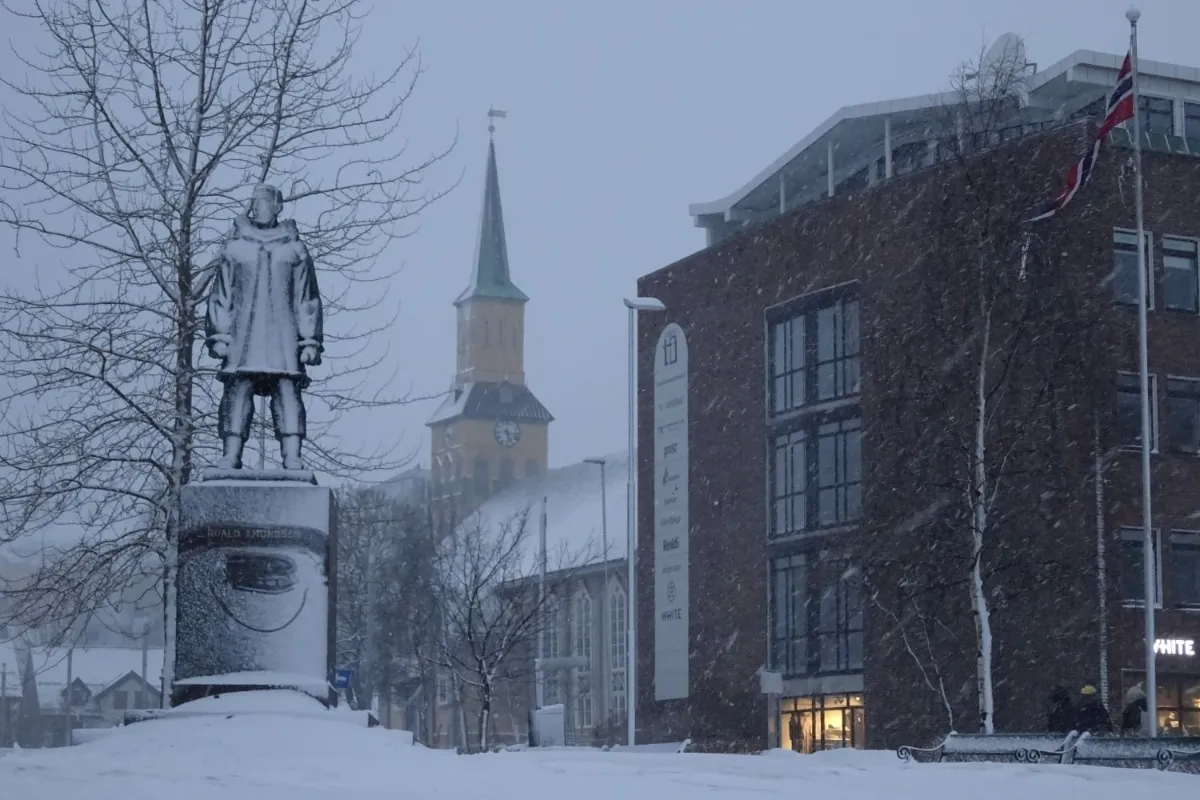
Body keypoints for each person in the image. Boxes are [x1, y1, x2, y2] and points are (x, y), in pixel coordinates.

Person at [205, 184, 324, 471]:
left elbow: (306, 298)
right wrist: (219, 334)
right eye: (253, 202)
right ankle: (231, 453)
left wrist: (309, 341)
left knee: (287, 392)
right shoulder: (235, 248)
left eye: (263, 202)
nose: (256, 207)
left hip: (283, 339)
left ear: (277, 206)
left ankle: (292, 454)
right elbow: (222, 295)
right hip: (243, 338)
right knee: (237, 391)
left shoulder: (294, 249)